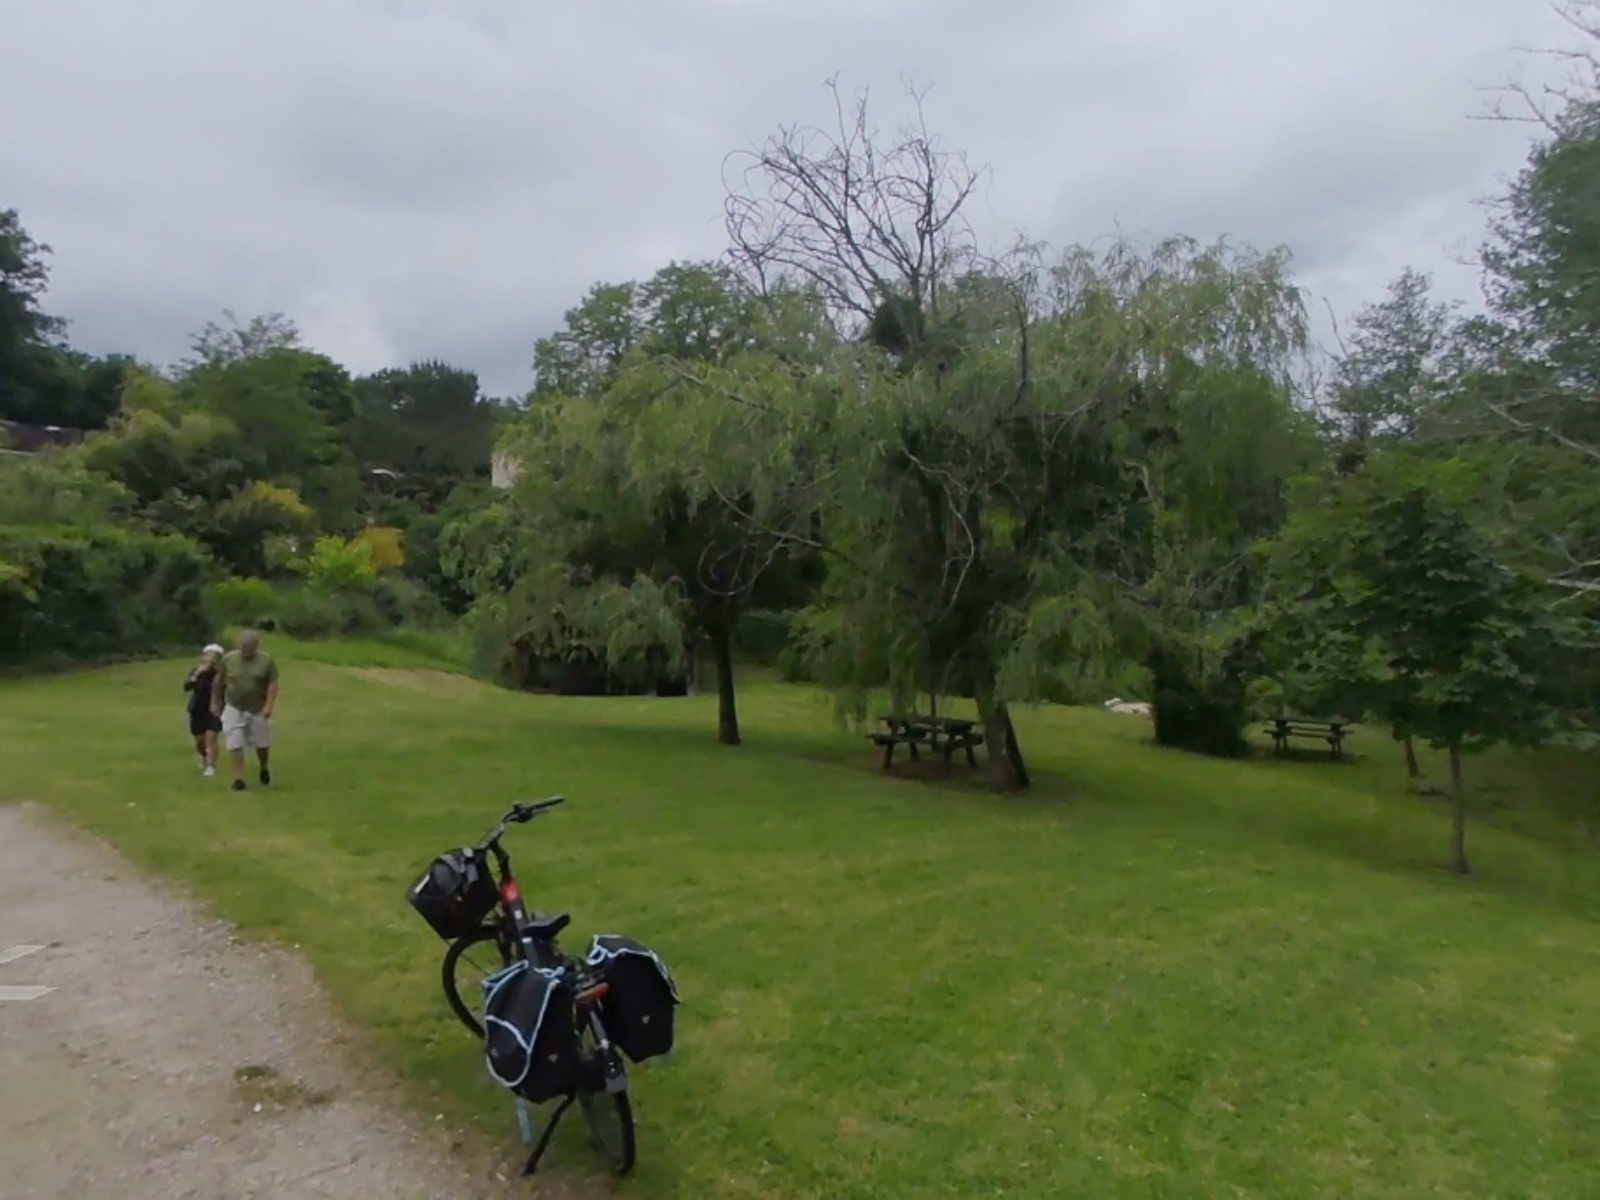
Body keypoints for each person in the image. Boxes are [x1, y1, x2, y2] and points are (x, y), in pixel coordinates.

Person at [211, 628, 280, 793]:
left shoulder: (266, 661)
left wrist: (269, 705)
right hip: (234, 706)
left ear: (256, 646)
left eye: (249, 647)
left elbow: (273, 683)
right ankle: (238, 778)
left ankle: (263, 766)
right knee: (235, 742)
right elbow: (218, 681)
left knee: (261, 744)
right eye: (243, 646)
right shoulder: (229, 659)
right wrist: (215, 702)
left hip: (257, 708)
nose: (246, 650)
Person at [183, 643, 225, 777]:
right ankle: (204, 756)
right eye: (208, 655)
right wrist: (198, 673)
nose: (211, 659)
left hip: (215, 708)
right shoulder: (197, 670)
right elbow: (187, 686)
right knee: (200, 739)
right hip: (197, 708)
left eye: (214, 656)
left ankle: (211, 765)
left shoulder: (222, 673)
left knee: (212, 737)